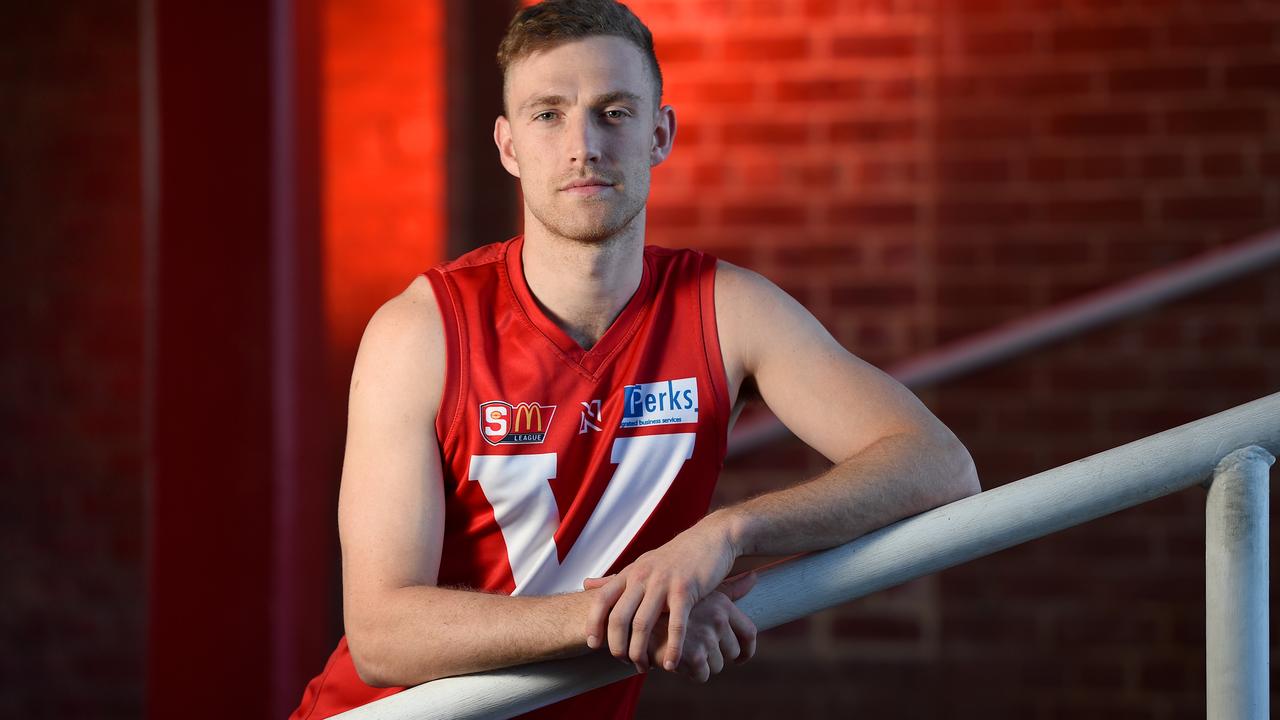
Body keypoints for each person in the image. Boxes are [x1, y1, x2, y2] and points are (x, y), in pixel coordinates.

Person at [290, 1, 981, 718]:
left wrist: (724, 536)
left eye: (614, 112)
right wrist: (633, 615)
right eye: (548, 114)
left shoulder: (726, 309)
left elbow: (940, 465)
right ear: (507, 146)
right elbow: (381, 634)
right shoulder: (422, 331)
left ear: (660, 132)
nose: (582, 144)